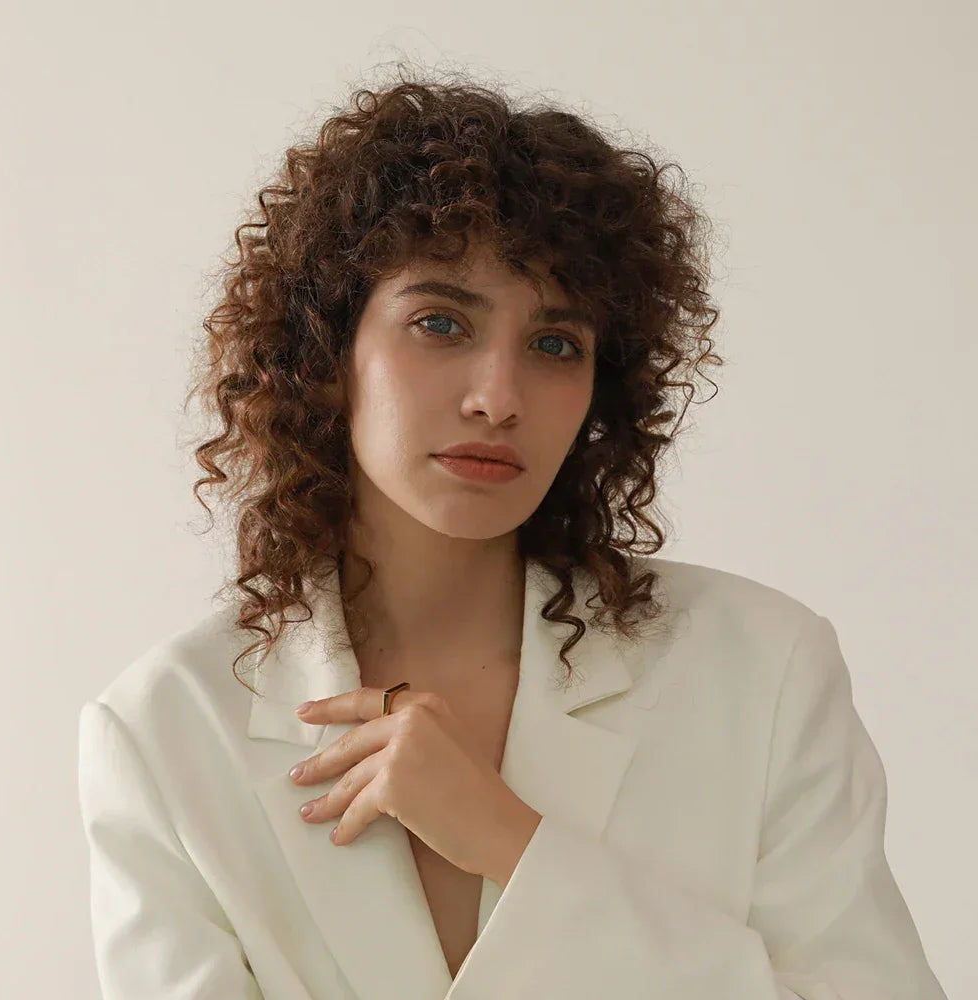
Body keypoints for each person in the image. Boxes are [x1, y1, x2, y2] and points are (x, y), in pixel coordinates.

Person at [76, 65, 949, 999]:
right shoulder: (166, 731)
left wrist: (514, 844)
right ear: (326, 358)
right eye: (441, 322)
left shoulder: (765, 669)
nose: (498, 397)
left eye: (554, 345)